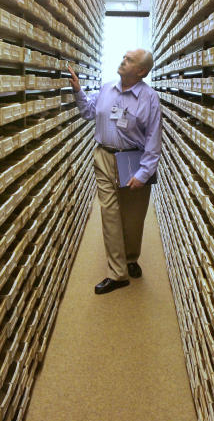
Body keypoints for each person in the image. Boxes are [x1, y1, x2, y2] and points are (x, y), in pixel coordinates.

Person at [68, 49, 162, 294]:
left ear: (141, 71)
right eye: (124, 56)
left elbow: (154, 140)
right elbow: (89, 113)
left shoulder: (149, 98)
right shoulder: (107, 88)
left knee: (133, 217)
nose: (123, 60)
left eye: (129, 60)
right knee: (109, 213)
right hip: (103, 156)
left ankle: (130, 258)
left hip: (132, 160)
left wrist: (143, 174)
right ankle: (117, 272)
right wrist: (78, 91)